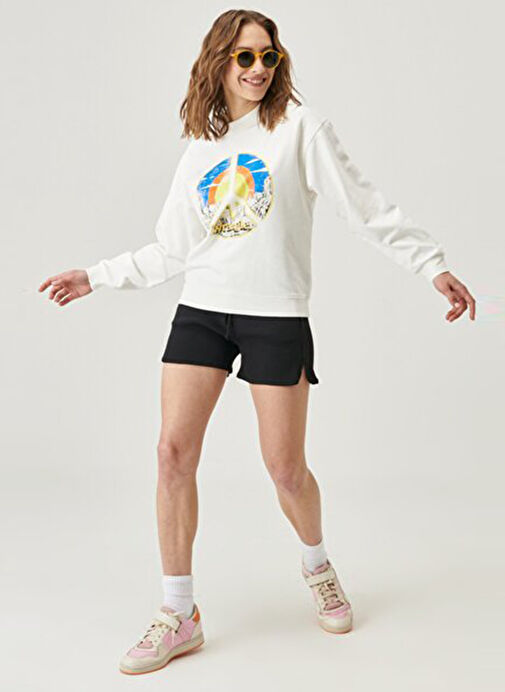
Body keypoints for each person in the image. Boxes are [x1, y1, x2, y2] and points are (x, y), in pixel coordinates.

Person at [38, 8, 475, 677]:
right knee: (171, 453)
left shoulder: (300, 128)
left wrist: (430, 265)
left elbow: (363, 205)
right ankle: (179, 613)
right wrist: (94, 276)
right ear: (219, 61)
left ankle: (317, 566)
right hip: (203, 311)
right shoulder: (201, 146)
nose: (258, 68)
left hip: (274, 315)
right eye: (245, 56)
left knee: (285, 469)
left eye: (268, 56)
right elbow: (170, 249)